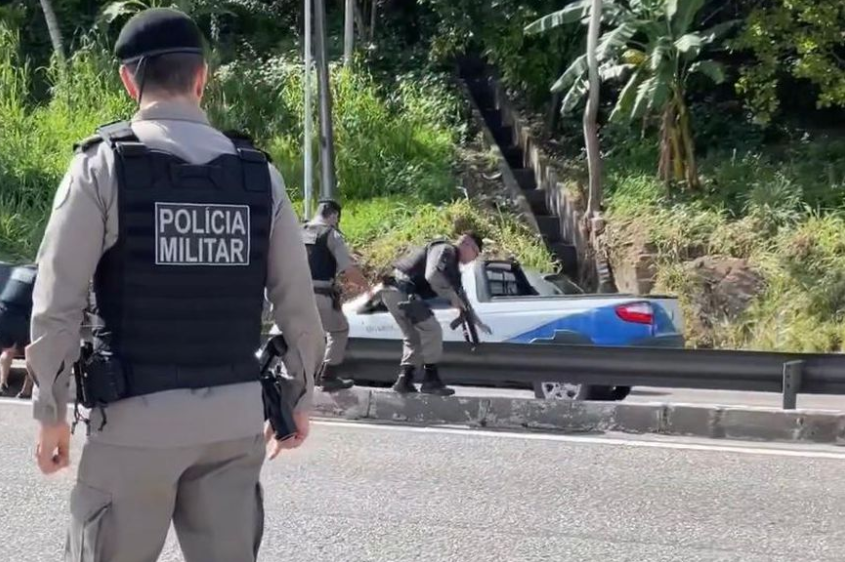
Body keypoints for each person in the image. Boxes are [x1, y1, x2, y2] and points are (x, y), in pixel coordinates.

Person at [25, 8, 325, 562]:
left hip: (135, 424)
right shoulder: (259, 174)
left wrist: (51, 411)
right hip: (234, 422)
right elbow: (299, 307)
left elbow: (56, 303)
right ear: (202, 76)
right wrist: (298, 397)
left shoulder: (101, 166)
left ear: (128, 80)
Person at [381, 232, 491, 396]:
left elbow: (461, 297)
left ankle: (404, 380)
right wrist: (451, 297)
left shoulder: (452, 266)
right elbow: (432, 275)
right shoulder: (446, 250)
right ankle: (430, 380)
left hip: (393, 292)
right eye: (475, 253)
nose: (472, 259)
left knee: (414, 337)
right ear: (466, 244)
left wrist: (476, 321)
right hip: (403, 292)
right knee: (432, 330)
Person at [302, 198, 370, 392]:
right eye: (337, 218)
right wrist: (366, 288)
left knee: (300, 335)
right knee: (339, 330)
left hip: (294, 293)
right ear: (333, 215)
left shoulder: (299, 231)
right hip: (319, 295)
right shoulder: (331, 234)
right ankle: (328, 376)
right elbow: (349, 270)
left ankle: (294, 376)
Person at [0, 264, 36, 398]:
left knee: (8, 350)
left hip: (3, 312)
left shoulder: (20, 270)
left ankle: (2, 384)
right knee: (32, 351)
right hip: (22, 317)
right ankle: (26, 389)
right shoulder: (40, 275)